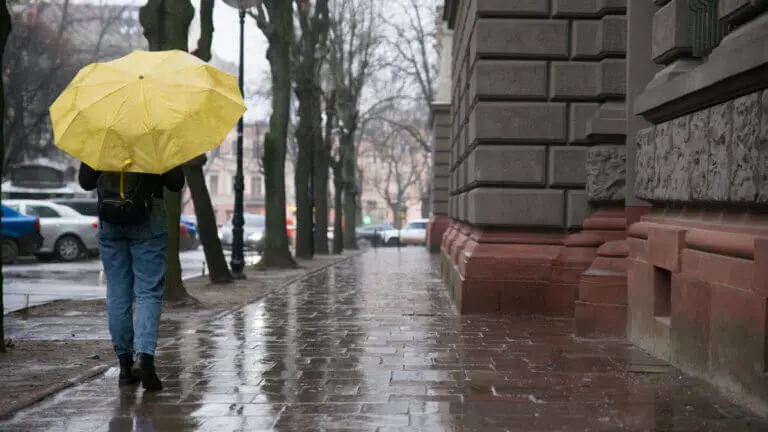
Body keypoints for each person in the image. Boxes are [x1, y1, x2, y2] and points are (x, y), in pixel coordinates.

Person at [79, 162, 184, 391]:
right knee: (148, 291)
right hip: (148, 217)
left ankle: (125, 366)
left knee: (117, 291)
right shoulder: (153, 132)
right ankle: (144, 358)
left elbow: (85, 181)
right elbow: (176, 183)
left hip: (110, 218)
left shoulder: (104, 134)